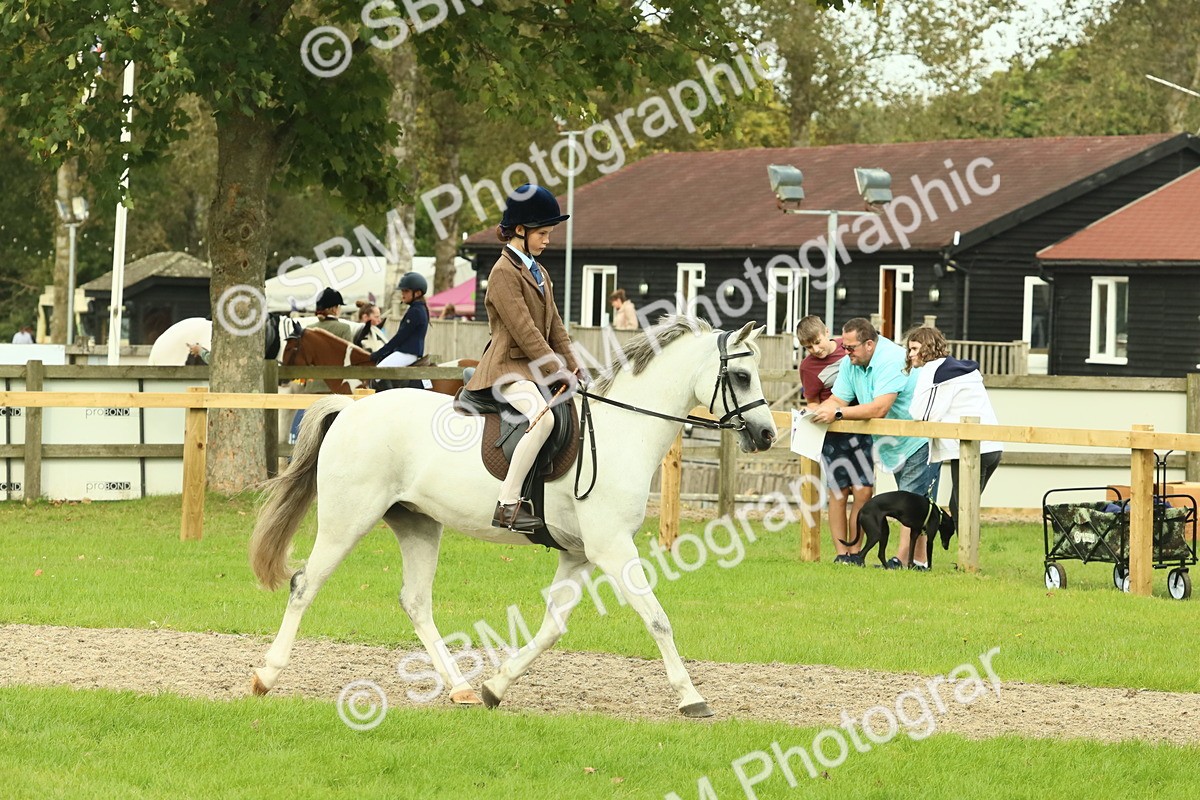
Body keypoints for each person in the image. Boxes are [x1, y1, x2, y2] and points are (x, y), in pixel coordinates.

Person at [463, 183, 581, 532]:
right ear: (520, 230)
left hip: (532, 371)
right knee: (542, 420)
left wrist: (573, 363)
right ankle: (508, 504)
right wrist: (556, 369)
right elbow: (525, 331)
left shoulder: (538, 271)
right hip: (505, 370)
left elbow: (555, 326)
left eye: (549, 233)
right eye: (542, 233)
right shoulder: (502, 273)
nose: (547, 239)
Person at [809, 318, 939, 570]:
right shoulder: (851, 363)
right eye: (844, 347)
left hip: (916, 439)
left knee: (912, 501)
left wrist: (836, 414)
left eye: (850, 348)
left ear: (869, 344)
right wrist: (812, 414)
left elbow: (880, 408)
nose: (845, 353)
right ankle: (919, 562)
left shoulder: (891, 360)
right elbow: (839, 398)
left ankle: (901, 561)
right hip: (892, 443)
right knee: (915, 502)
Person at [905, 326, 1003, 528]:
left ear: (927, 348)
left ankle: (969, 559)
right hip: (991, 446)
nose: (910, 354)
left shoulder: (934, 371)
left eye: (914, 349)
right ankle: (967, 557)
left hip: (972, 447)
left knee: (962, 507)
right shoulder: (959, 370)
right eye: (909, 349)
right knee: (963, 504)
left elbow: (920, 413)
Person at [796, 316, 874, 566]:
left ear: (827, 332)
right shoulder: (808, 367)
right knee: (839, 492)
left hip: (861, 426)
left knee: (863, 490)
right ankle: (843, 554)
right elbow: (812, 402)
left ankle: (857, 550)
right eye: (809, 347)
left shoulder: (848, 349)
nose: (815, 349)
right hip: (833, 435)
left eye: (817, 342)